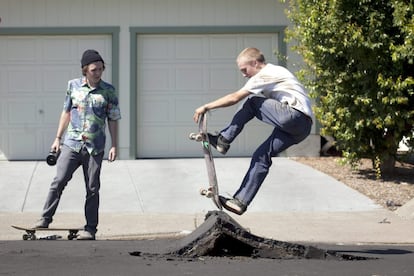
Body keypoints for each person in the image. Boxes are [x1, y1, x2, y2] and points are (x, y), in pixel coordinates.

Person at [193, 47, 313, 215]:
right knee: (261, 155)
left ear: (255, 63)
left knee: (251, 102)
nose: (244, 74)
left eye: (244, 70)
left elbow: (235, 98)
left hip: (293, 116)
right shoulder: (276, 73)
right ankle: (241, 201)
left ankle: (224, 139)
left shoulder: (265, 74)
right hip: (303, 127)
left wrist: (206, 107)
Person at [34, 49, 121, 240]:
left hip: (95, 147)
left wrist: (115, 145)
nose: (97, 73)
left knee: (92, 188)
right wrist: (57, 138)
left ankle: (90, 229)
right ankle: (45, 218)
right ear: (85, 70)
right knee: (59, 181)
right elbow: (66, 112)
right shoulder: (72, 86)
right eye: (93, 70)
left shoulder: (109, 91)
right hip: (71, 144)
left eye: (100, 69)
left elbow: (113, 119)